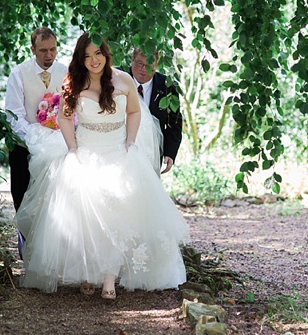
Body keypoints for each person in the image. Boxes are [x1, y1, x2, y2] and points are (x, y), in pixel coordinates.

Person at [15, 32, 188, 299]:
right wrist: (72, 149)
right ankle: (87, 274)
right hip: (87, 151)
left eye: (98, 54)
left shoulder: (123, 79)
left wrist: (130, 142)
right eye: (87, 56)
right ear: (80, 59)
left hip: (118, 152)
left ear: (106, 54)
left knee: (118, 211)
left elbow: (134, 111)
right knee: (85, 215)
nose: (93, 60)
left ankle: (109, 278)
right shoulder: (73, 83)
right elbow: (64, 118)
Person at [4, 27, 68, 257]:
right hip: (24, 146)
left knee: (54, 197)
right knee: (21, 194)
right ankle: (26, 239)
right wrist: (34, 137)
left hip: (57, 147)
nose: (48, 55)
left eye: (52, 49)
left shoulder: (67, 72)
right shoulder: (18, 74)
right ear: (33, 50)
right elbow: (13, 114)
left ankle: (51, 250)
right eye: (43, 50)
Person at [125, 48, 183, 174]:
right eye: (140, 63)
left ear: (156, 65)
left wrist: (170, 153)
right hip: (122, 150)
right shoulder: (117, 78)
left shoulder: (168, 86)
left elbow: (175, 122)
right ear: (132, 60)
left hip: (152, 153)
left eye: (149, 65)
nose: (143, 69)